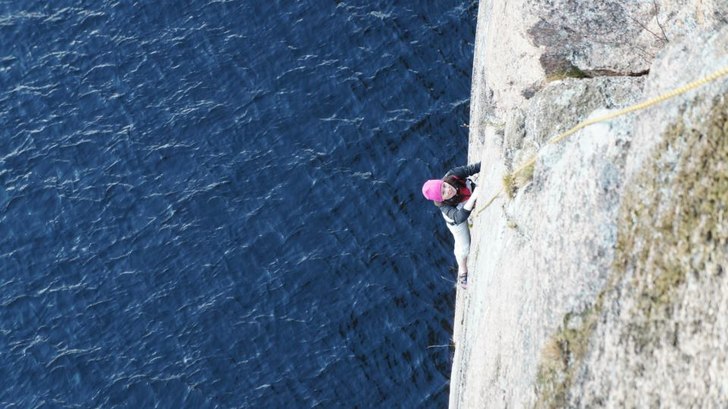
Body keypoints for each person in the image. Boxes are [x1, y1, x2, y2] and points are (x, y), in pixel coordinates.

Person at [421, 162, 480, 289]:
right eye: (443, 192)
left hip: (467, 199)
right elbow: (459, 217)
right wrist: (474, 197)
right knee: (464, 247)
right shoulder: (444, 207)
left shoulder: (452, 175)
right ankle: (462, 269)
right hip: (456, 222)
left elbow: (473, 168)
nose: (448, 190)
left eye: (444, 185)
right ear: (441, 199)